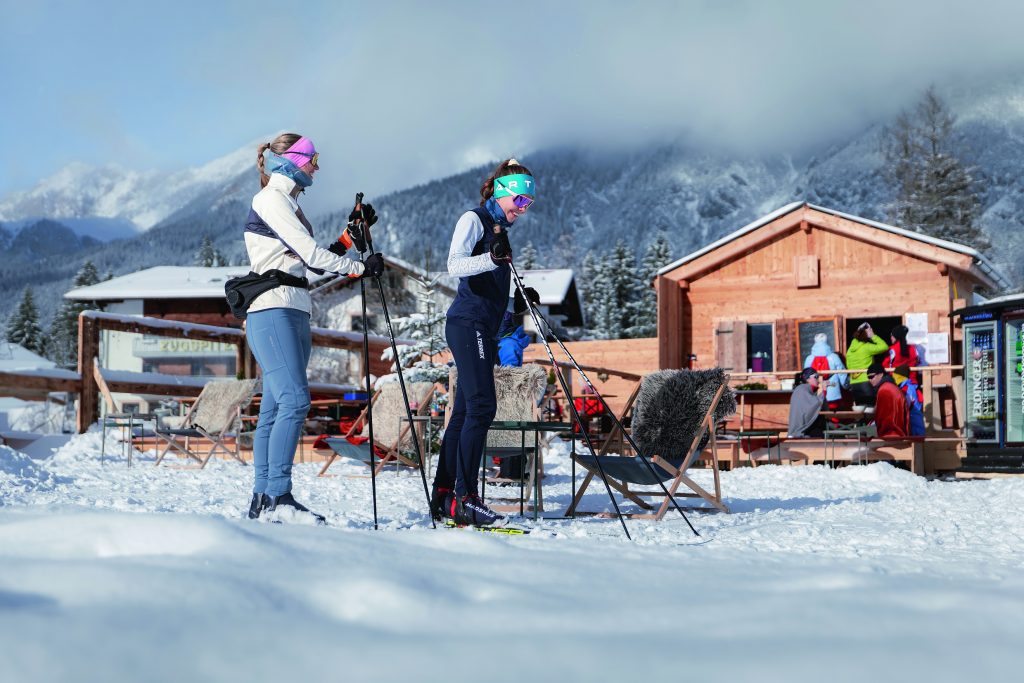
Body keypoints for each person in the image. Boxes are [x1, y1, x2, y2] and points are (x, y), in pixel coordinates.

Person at [243, 133, 384, 523]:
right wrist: (360, 267)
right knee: (294, 401)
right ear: (291, 160)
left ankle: (264, 497)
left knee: (275, 408)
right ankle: (278, 497)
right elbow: (309, 255)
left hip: (290, 307)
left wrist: (347, 239)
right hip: (273, 310)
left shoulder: (285, 202)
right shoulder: (271, 199)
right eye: (313, 158)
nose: (317, 166)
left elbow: (305, 261)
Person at [431, 158, 536, 526]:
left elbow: (489, 286)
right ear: (504, 193)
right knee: (481, 407)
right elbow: (455, 265)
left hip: (483, 327)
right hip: (466, 323)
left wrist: (515, 308)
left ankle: (445, 497)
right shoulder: (473, 219)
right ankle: (466, 497)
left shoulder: (498, 229)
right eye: (520, 201)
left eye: (529, 204)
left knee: (463, 414)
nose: (523, 209)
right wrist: (491, 260)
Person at [846, 322, 889, 406]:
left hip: (853, 383)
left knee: (860, 411)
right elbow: (884, 347)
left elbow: (848, 365)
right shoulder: (867, 347)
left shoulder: (850, 350)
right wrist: (873, 336)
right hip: (866, 382)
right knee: (870, 410)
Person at [803, 333, 850, 411]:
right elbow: (842, 372)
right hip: (832, 386)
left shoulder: (809, 358)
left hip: (816, 388)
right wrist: (846, 385)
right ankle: (834, 423)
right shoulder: (834, 357)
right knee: (833, 411)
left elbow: (805, 375)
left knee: (817, 410)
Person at [866, 362, 908, 438]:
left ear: (881, 374)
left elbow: (884, 418)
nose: (870, 380)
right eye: (868, 378)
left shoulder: (885, 390)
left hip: (891, 435)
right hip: (900, 433)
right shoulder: (890, 386)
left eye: (872, 377)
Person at [787, 367, 827, 438]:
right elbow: (814, 405)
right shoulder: (802, 390)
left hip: (805, 429)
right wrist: (824, 391)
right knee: (819, 432)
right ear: (807, 379)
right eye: (816, 376)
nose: (818, 380)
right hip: (800, 432)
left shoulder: (806, 389)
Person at [893, 363, 926, 436]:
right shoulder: (907, 387)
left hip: (913, 424)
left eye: (895, 376)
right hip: (913, 423)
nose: (894, 378)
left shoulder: (908, 388)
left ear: (900, 377)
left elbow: (906, 404)